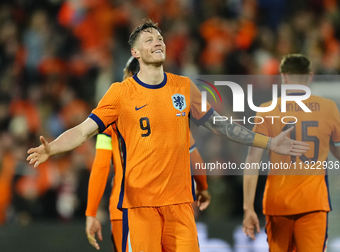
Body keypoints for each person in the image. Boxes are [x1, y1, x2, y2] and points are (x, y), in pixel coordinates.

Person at [27, 20, 308, 252]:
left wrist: (270, 142)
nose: (157, 41)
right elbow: (83, 131)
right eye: (148, 40)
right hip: (141, 206)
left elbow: (221, 126)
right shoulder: (120, 93)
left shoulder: (184, 87)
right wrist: (51, 149)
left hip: (180, 205)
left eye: (159, 37)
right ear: (135, 53)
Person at [85, 57, 211, 251]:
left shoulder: (111, 120)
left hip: (130, 208)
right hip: (169, 205)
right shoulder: (172, 117)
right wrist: (202, 188)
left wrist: (91, 212)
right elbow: (195, 158)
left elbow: (101, 165)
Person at [242, 54, 340, 251]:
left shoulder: (266, 110)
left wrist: (248, 207)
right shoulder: (329, 108)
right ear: (310, 76)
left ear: (284, 77)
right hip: (314, 203)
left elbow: (252, 161)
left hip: (277, 203)